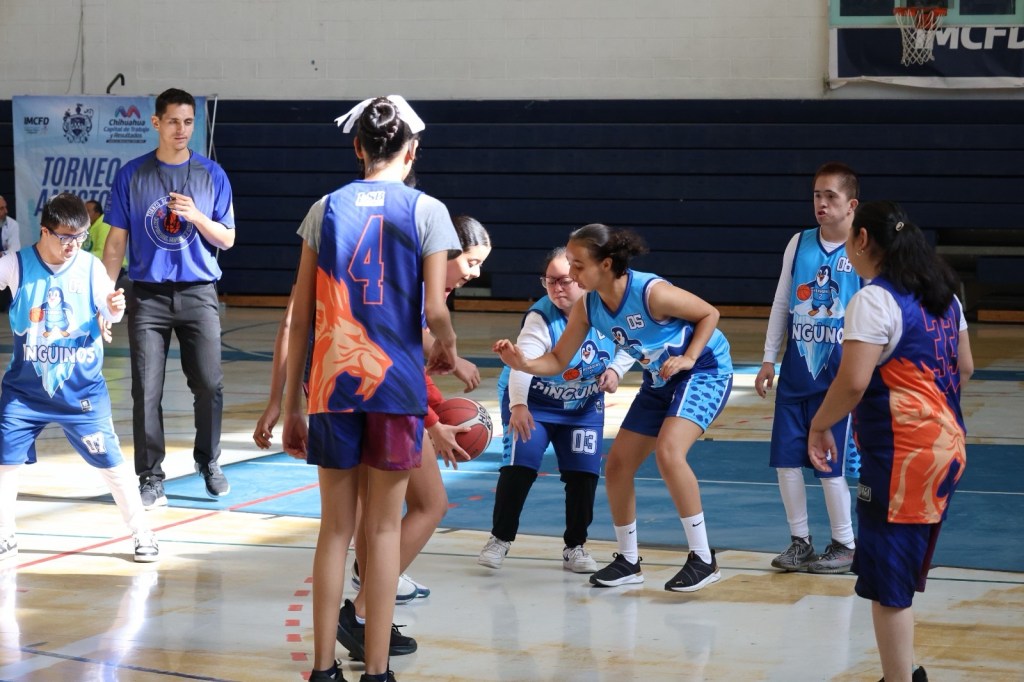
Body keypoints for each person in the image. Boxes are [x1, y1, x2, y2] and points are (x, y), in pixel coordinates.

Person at [281, 96, 459, 682]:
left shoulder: (324, 207)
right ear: (412, 151)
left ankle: (323, 669)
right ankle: (377, 671)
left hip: (332, 385)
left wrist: (292, 404)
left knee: (334, 528)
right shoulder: (428, 209)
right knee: (382, 530)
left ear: (357, 147)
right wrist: (448, 345)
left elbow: (301, 317)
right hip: (395, 388)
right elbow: (436, 309)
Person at [495, 224, 734, 593]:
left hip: (703, 369)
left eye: (577, 265)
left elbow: (709, 314)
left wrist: (688, 357)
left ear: (605, 264)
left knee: (669, 452)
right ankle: (628, 560)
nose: (571, 273)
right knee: (618, 465)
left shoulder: (651, 292)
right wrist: (523, 363)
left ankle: (703, 558)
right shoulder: (589, 305)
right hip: (659, 378)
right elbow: (557, 359)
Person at [808, 201, 972, 682]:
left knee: (889, 588)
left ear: (862, 240)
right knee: (899, 574)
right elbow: (964, 368)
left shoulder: (874, 300)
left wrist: (819, 424)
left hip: (903, 459)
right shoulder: (945, 295)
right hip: (946, 449)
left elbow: (853, 383)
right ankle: (904, 671)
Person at [339, 214, 492, 661]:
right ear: (446, 252)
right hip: (386, 402)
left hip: (355, 396)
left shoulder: (411, 282)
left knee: (372, 512)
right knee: (430, 505)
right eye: (471, 262)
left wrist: (434, 405)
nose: (475, 273)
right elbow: (397, 361)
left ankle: (369, 614)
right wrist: (432, 420)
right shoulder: (420, 293)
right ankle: (362, 611)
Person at [0, 193, 158, 563]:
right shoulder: (16, 265)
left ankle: (142, 532)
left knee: (112, 465)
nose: (73, 245)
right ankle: (5, 534)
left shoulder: (90, 268)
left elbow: (110, 311)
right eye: (65, 237)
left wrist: (114, 308)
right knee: (5, 464)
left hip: (81, 393)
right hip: (25, 392)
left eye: (80, 237)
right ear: (45, 231)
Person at [102, 88, 236, 508]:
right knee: (146, 389)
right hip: (148, 296)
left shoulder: (212, 174)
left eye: (189, 122)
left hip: (199, 292)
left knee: (209, 384)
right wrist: (104, 296)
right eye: (174, 121)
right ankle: (150, 476)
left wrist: (197, 216)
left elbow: (228, 238)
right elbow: (115, 244)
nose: (182, 129)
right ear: (156, 122)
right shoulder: (132, 175)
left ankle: (209, 461)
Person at [479, 246, 634, 573]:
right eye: (550, 281)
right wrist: (518, 405)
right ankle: (500, 538)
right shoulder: (540, 318)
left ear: (582, 278)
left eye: (564, 280)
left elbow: (632, 343)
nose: (557, 288)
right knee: (520, 466)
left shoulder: (609, 307)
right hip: (534, 400)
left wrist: (616, 370)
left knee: (583, 475)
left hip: (583, 405)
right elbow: (522, 364)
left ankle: (575, 547)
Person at [754, 162, 862, 574]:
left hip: (839, 380)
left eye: (831, 196)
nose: (822, 203)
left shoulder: (863, 248)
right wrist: (768, 357)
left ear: (851, 205)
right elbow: (782, 301)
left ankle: (845, 543)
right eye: (817, 195)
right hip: (797, 373)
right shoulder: (798, 243)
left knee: (829, 466)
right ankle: (800, 541)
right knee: (786, 461)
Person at [84, 200, 127, 277]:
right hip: (98, 263)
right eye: (84, 211)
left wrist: (79, 256)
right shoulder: (88, 225)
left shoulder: (104, 225)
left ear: (97, 213)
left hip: (113, 265)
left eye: (88, 211)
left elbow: (102, 253)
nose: (84, 214)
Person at [0, 195, 20, 313]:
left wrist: (2, 254)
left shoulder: (12, 224)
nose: (6, 211)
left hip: (4, 262)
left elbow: (15, 248)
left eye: (5, 207)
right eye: (1, 208)